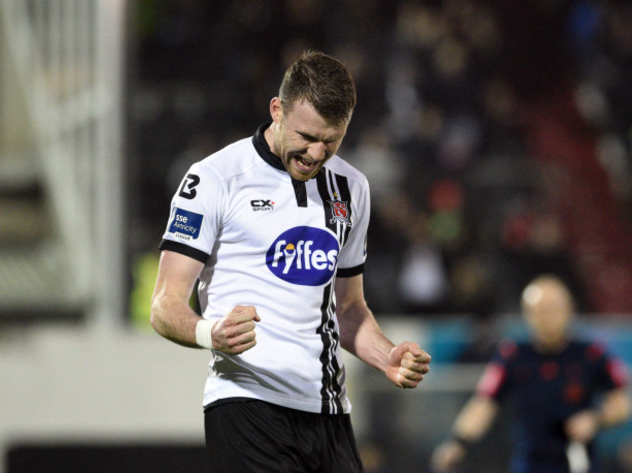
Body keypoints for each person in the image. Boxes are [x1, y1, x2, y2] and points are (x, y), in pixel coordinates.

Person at [150, 50, 432, 473]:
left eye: (331, 140)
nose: (317, 153)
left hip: (329, 410)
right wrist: (212, 333)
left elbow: (349, 309)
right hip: (247, 405)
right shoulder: (213, 178)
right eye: (306, 136)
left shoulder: (352, 188)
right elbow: (164, 305)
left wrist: (386, 355)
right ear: (276, 111)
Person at [430, 274, 630, 473]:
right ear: (527, 314)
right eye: (540, 311)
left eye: (553, 309)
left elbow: (621, 403)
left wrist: (594, 419)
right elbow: (483, 404)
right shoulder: (513, 355)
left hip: (578, 461)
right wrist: (458, 443)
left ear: (569, 310)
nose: (547, 317)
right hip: (530, 462)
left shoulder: (590, 353)